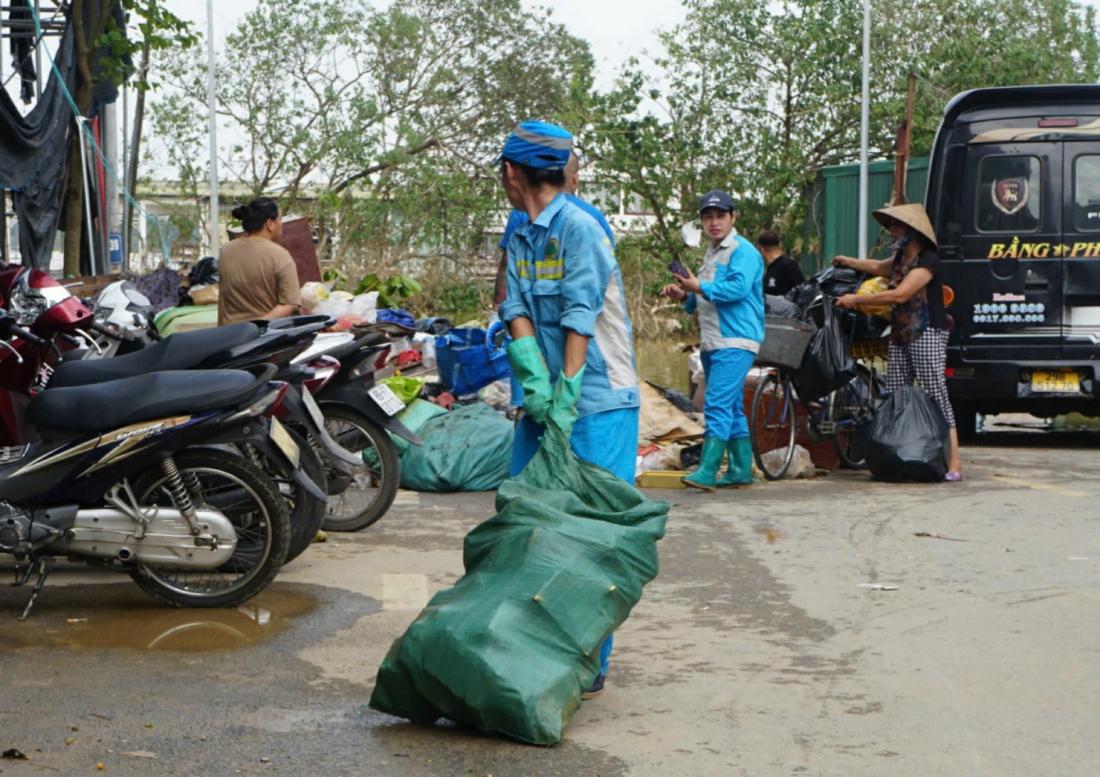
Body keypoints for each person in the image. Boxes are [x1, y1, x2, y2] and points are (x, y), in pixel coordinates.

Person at [497, 120, 639, 697]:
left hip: (599, 401)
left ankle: (588, 662)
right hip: (543, 398)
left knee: (589, 534)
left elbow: (581, 315)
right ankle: (529, 643)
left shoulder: (582, 229)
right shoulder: (519, 227)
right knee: (523, 521)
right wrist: (534, 379)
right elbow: (513, 300)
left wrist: (567, 394)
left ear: (511, 173)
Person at [833, 203, 963, 481]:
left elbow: (900, 295)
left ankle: (954, 463)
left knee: (936, 394)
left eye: (896, 226)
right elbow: (877, 267)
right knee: (896, 395)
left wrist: (857, 300)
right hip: (900, 333)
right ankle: (899, 454)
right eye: (891, 226)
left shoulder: (928, 259)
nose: (892, 231)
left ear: (912, 231)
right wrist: (848, 261)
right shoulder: (900, 257)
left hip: (926, 332)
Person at [662, 191, 765, 489]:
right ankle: (740, 469)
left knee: (716, 403)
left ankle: (707, 470)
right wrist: (685, 293)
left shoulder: (743, 251)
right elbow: (701, 297)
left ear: (733, 217)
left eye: (720, 216)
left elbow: (737, 289)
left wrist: (699, 285)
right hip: (713, 340)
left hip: (736, 339)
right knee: (730, 407)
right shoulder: (711, 252)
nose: (714, 222)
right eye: (708, 217)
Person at [218, 197, 300, 326]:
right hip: (264, 337)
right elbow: (289, 304)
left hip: (229, 334)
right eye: (279, 219)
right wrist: (254, 326)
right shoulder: (280, 255)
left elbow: (223, 298)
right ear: (270, 224)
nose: (281, 224)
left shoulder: (226, 250)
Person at [757, 229, 804, 297]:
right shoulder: (771, 268)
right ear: (779, 245)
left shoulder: (788, 265)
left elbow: (802, 293)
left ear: (761, 249)